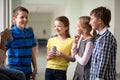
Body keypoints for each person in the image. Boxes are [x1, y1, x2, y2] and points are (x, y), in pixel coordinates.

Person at [5, 6, 37, 80]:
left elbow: (32, 52)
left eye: (26, 17)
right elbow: (3, 51)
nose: (25, 19)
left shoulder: (30, 32)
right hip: (14, 72)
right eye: (22, 17)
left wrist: (35, 68)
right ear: (14, 19)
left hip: (27, 71)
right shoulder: (9, 33)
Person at [89, 6, 117, 80]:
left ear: (99, 21)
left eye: (91, 19)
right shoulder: (100, 37)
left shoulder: (106, 38)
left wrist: (98, 78)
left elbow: (102, 62)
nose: (90, 22)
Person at [45, 16, 75, 80]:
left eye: (59, 26)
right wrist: (49, 56)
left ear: (66, 27)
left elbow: (73, 59)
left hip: (61, 71)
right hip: (49, 69)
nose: (56, 28)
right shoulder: (51, 40)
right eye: (55, 26)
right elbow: (47, 58)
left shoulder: (71, 41)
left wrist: (61, 54)